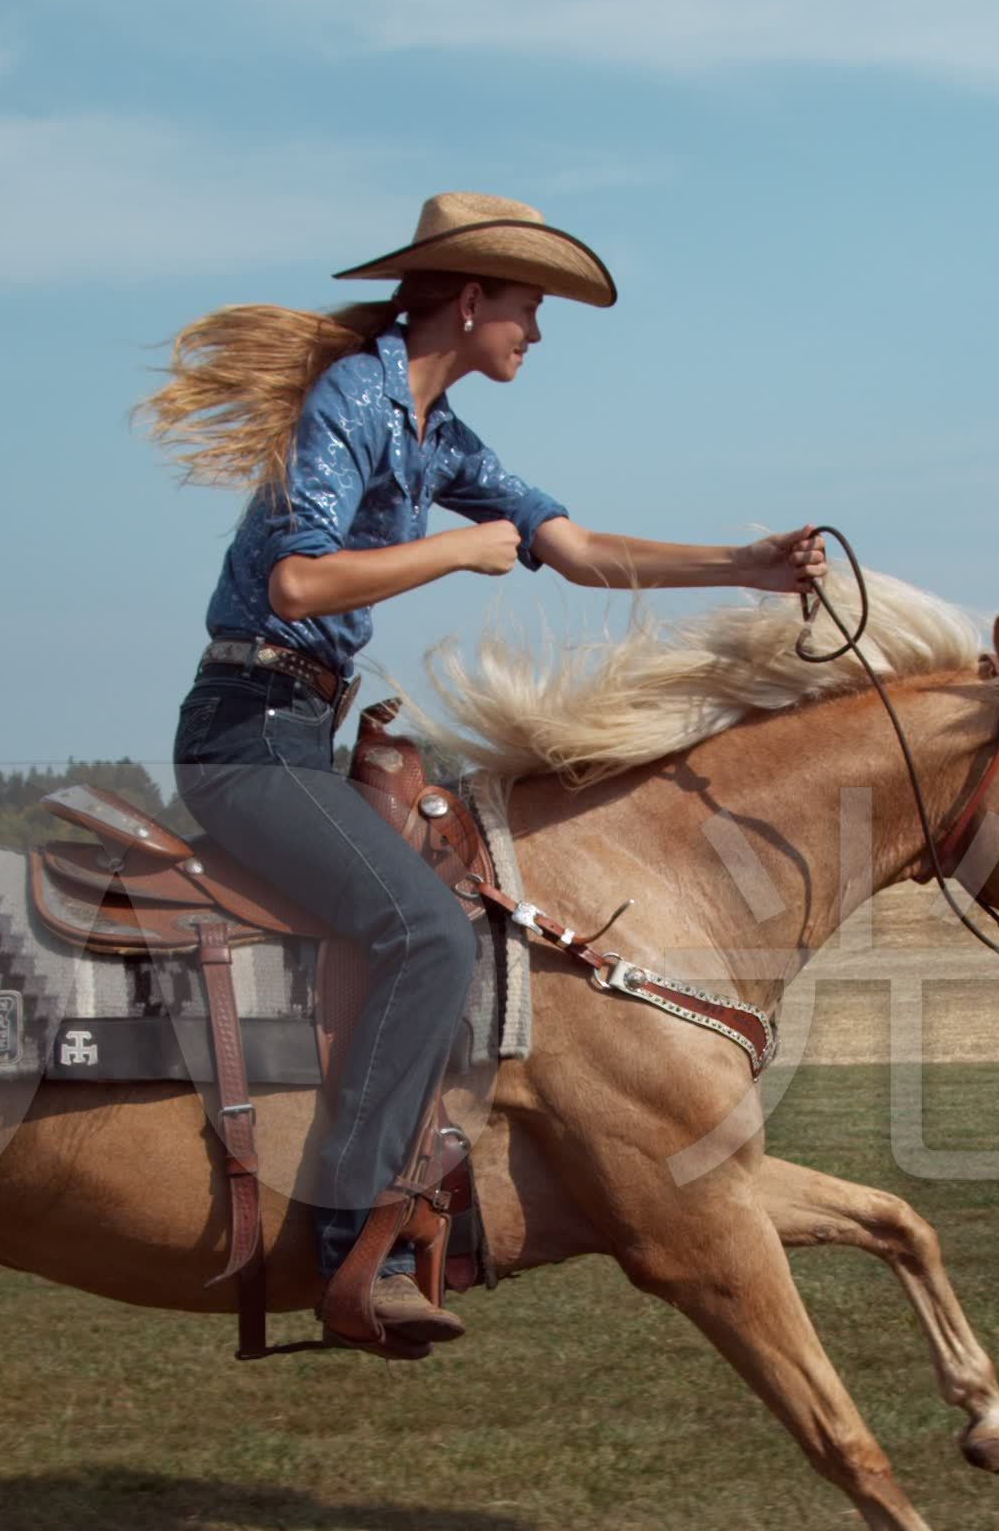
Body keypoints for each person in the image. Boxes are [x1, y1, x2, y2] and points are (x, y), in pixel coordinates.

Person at [142, 191, 824, 1347]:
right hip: (246, 734)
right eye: (528, 308)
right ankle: (349, 1245)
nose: (537, 336)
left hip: (302, 729)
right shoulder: (356, 399)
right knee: (427, 933)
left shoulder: (437, 434)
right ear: (469, 299)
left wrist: (744, 566)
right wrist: (455, 550)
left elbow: (577, 548)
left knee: (454, 911)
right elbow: (297, 585)